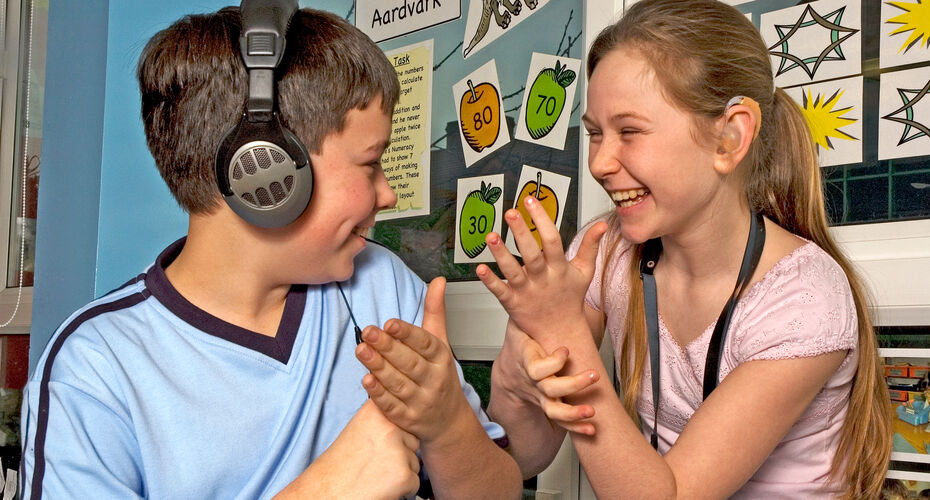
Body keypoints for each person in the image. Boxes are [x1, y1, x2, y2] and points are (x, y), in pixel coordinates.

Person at [19, 5, 521, 499]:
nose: (387, 194)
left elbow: (499, 489)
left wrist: (448, 425)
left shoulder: (382, 286)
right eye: (370, 164)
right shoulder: (95, 368)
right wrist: (325, 491)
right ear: (269, 172)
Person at [477, 0, 891, 498]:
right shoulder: (608, 254)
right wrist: (516, 382)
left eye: (629, 131)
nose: (602, 162)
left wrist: (563, 328)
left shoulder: (803, 299)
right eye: (594, 134)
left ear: (729, 138)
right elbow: (528, 455)